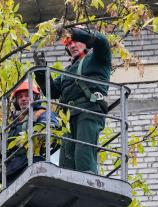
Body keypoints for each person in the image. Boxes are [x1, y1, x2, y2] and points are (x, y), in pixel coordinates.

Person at [33, 25, 111, 174]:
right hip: (69, 118)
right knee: (67, 161)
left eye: (75, 41)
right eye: (68, 43)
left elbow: (102, 42)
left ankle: (89, 183)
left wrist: (78, 31)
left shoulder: (98, 58)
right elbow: (52, 92)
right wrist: (42, 71)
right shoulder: (67, 72)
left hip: (88, 110)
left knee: (83, 156)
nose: (72, 45)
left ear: (85, 41)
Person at [3, 81, 60, 184]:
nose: (23, 99)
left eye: (27, 95)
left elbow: (53, 128)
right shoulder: (15, 124)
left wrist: (43, 132)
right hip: (13, 170)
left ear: (35, 98)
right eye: (20, 97)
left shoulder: (42, 113)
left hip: (33, 164)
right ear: (16, 101)